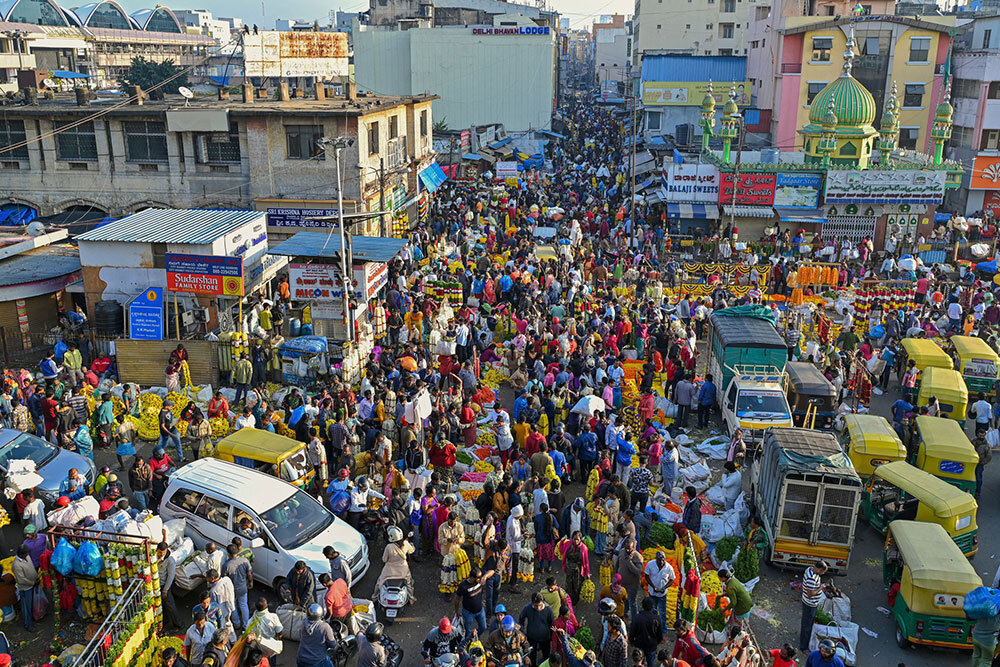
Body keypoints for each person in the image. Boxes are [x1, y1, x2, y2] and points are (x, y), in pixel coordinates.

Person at [799, 561, 829, 651]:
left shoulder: (809, 569)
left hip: (809, 602)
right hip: (810, 604)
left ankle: (803, 639)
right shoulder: (811, 578)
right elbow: (810, 594)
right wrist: (820, 588)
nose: (823, 574)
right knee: (807, 625)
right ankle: (803, 647)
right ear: (819, 569)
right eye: (823, 572)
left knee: (807, 623)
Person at [519, 592, 555, 666]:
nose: (538, 608)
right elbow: (521, 619)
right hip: (531, 638)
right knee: (532, 658)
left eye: (540, 605)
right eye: (536, 606)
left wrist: (551, 636)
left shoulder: (548, 609)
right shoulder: (527, 608)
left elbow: (551, 624)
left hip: (545, 638)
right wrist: (522, 631)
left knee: (546, 656)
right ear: (532, 603)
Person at [222, 543, 252, 631]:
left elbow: (224, 579)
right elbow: (249, 574)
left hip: (232, 590)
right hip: (243, 587)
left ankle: (237, 623)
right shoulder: (244, 561)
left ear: (229, 554)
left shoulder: (226, 565)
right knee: (244, 605)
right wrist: (250, 582)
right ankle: (246, 625)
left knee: (233, 606)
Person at [644, 550, 675, 631]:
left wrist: (664, 587)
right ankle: (652, 628)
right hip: (652, 593)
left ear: (665, 559)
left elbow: (672, 579)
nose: (661, 562)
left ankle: (663, 630)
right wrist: (653, 586)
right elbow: (646, 576)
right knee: (652, 612)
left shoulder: (669, 568)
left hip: (662, 594)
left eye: (662, 560)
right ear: (656, 559)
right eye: (659, 560)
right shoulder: (650, 564)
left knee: (662, 613)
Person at [456, 567, 488, 637]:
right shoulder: (463, 586)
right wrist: (457, 611)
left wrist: (485, 577)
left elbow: (492, 571)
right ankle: (468, 643)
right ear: (472, 578)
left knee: (483, 627)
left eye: (480, 577)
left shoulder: (480, 581)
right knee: (468, 631)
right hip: (468, 613)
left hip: (480, 611)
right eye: (478, 577)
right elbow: (457, 599)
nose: (480, 579)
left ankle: (474, 637)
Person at [11, 544, 37, 632]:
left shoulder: (27, 557)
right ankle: (28, 625)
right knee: (26, 607)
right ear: (21, 554)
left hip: (33, 583)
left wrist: (36, 578)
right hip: (26, 588)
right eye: (26, 553)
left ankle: (35, 617)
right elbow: (21, 580)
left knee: (33, 603)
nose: (27, 554)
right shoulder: (16, 565)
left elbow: (32, 567)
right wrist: (32, 583)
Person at [630, 597, 663, 667]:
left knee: (640, 663)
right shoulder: (656, 618)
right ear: (652, 606)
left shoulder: (636, 617)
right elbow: (660, 634)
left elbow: (632, 632)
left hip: (640, 644)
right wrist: (656, 643)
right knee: (651, 663)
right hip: (651, 646)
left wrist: (632, 641)